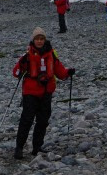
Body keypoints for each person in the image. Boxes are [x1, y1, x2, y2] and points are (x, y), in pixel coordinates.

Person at [11, 27, 74, 158]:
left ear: (45, 40)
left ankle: (37, 147)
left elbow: (60, 71)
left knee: (43, 120)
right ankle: (19, 147)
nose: (39, 41)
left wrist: (68, 73)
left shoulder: (51, 54)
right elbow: (16, 73)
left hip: (46, 92)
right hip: (30, 92)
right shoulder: (27, 56)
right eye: (37, 39)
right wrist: (21, 64)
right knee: (26, 120)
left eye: (41, 39)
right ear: (33, 40)